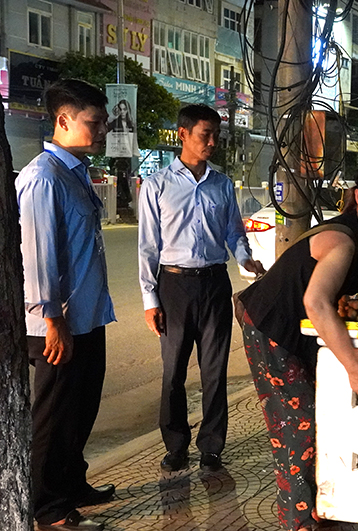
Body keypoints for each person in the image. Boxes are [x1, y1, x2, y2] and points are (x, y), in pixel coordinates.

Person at [236, 161, 358, 531]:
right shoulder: (342, 242)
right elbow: (317, 303)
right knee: (300, 426)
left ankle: (322, 507)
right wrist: (355, 368)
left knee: (329, 419)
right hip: (271, 328)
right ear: (357, 197)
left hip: (308, 333)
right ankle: (298, 521)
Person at [138, 104, 266, 474]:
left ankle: (212, 445)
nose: (212, 142)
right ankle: (175, 444)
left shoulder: (222, 184)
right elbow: (148, 245)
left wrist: (244, 258)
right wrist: (150, 299)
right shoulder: (158, 185)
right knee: (173, 371)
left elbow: (233, 231)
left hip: (213, 284)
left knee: (215, 369)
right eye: (204, 135)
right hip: (173, 285)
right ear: (183, 134)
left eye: (216, 135)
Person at [17, 79, 115, 531]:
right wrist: (53, 319)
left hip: (88, 317)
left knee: (81, 409)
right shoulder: (42, 178)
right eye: (94, 122)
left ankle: (73, 484)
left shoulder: (75, 171)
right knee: (54, 417)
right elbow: (38, 255)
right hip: (57, 325)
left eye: (104, 121)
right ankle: (47, 508)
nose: (103, 130)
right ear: (63, 120)